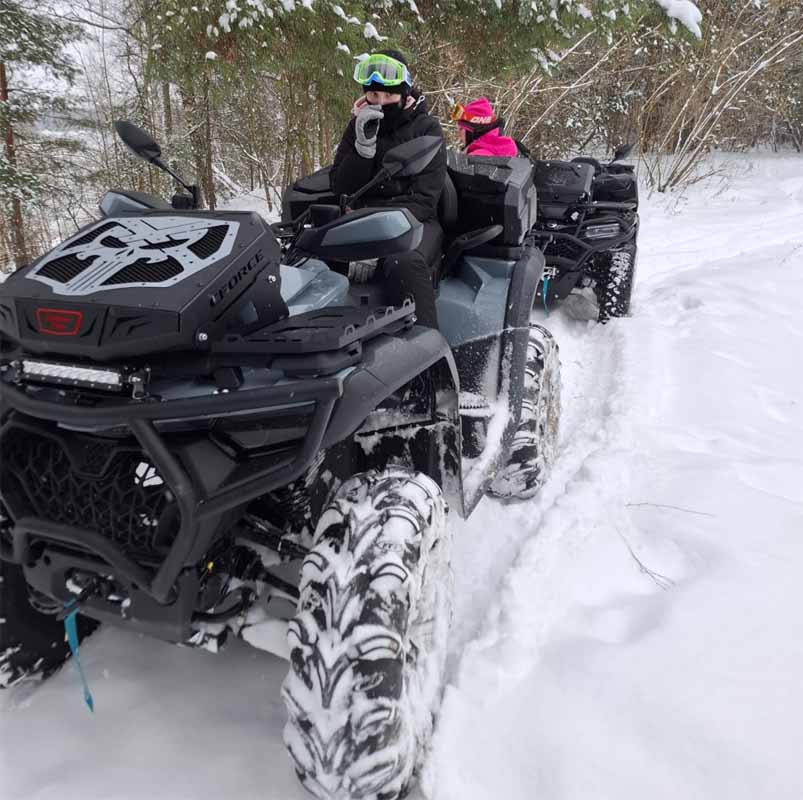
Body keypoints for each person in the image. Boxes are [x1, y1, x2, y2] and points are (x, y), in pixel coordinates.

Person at [330, 50, 446, 329]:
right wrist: (362, 149)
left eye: (389, 96)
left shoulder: (426, 129)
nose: (380, 102)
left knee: (402, 263)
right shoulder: (359, 125)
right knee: (317, 256)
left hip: (414, 220)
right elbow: (340, 186)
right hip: (361, 216)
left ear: (404, 93)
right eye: (373, 95)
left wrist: (378, 241)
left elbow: (424, 200)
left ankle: (426, 349)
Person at [450, 97, 519, 157]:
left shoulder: (477, 158)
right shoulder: (504, 150)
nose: (458, 134)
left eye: (461, 129)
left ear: (472, 131)